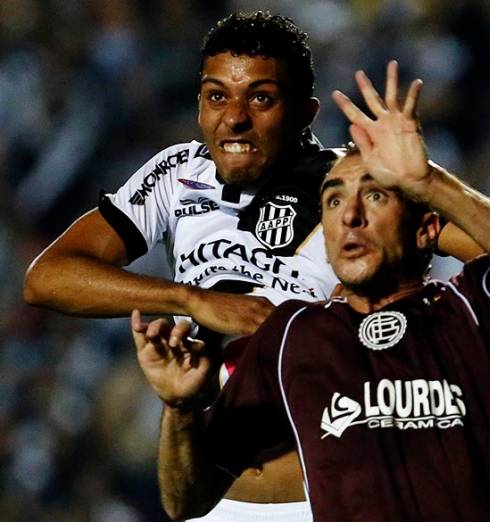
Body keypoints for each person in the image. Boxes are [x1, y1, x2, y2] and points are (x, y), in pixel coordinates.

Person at [133, 61, 490, 521]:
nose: (349, 216)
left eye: (375, 195)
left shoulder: (472, 311)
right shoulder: (293, 339)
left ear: (427, 228)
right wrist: (181, 409)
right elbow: (185, 499)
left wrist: (428, 182)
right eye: (332, 200)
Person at [23, 11, 342, 521]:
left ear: (305, 112)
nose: (233, 117)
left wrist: (430, 185)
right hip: (213, 495)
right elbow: (46, 278)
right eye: (217, 95)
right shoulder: (179, 172)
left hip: (330, 490)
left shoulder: (349, 184)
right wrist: (191, 299)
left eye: (260, 98)